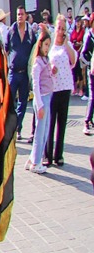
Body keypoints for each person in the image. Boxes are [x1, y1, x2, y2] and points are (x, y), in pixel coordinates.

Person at [45, 14, 75, 168]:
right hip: (52, 88)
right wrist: (50, 67)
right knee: (50, 122)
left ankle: (59, 155)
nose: (61, 31)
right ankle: (47, 155)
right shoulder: (49, 45)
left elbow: (73, 60)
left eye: (63, 29)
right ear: (54, 28)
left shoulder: (65, 45)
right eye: (59, 28)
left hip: (65, 87)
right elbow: (43, 60)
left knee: (62, 122)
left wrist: (67, 43)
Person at [28, 28, 54, 174]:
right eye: (45, 45)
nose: (47, 48)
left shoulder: (46, 59)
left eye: (49, 45)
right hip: (42, 98)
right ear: (40, 45)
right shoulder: (38, 61)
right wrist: (39, 105)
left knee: (45, 130)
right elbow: (36, 84)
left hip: (48, 96)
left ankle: (33, 158)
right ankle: (36, 162)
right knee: (40, 131)